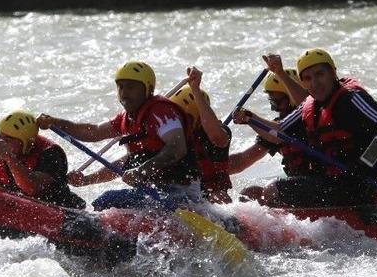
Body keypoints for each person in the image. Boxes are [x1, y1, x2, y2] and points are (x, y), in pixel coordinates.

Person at [235, 48, 377, 207]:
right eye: (307, 78)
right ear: (303, 83)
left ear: (333, 73)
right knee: (251, 193)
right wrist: (249, 118)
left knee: (273, 190)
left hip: (356, 187)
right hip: (328, 184)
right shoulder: (309, 105)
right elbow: (277, 133)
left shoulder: (351, 98)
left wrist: (366, 162)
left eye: (319, 74)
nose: (314, 83)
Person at [37, 61, 200, 210]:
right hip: (154, 194)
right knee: (106, 202)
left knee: (106, 201)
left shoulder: (161, 112)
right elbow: (93, 133)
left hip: (180, 194)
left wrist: (140, 171)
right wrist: (54, 122)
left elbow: (177, 149)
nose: (124, 93)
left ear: (148, 89)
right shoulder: (126, 119)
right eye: (120, 87)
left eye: (130, 87)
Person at [0, 110, 86, 209]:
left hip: (56, 209)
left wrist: (9, 158)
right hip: (9, 212)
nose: (0, 141)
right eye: (0, 135)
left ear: (27, 143)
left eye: (9, 138)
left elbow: (32, 188)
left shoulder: (50, 153)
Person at [228, 68, 312, 200]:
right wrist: (210, 167)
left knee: (271, 190)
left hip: (319, 183)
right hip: (299, 187)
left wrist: (248, 118)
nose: (275, 109)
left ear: (291, 97)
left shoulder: (308, 119)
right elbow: (241, 161)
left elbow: (279, 131)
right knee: (249, 194)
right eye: (271, 102)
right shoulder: (273, 129)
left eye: (277, 102)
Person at [170, 66, 232, 203]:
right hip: (178, 195)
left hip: (208, 198)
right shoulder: (170, 135)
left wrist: (195, 90)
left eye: (182, 118)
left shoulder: (219, 133)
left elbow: (217, 137)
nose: (176, 123)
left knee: (219, 197)